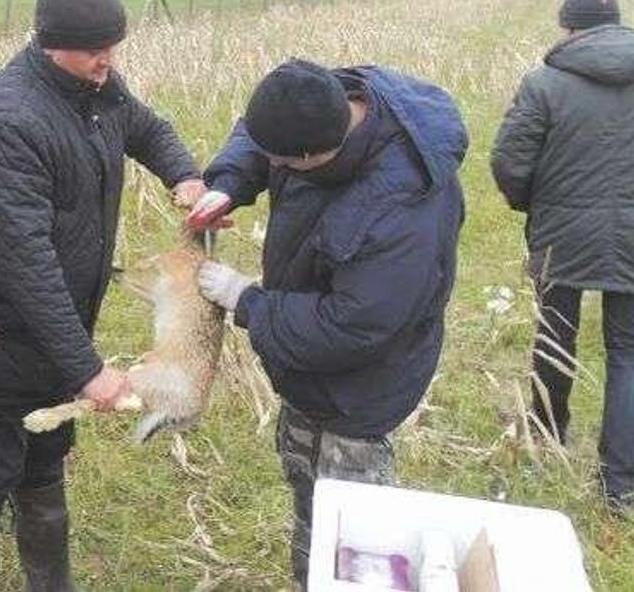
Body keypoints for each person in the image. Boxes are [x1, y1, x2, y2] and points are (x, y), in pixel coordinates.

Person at [0, 0, 205, 590]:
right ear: (50, 43)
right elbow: (26, 264)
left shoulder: (97, 87)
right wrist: (88, 369)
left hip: (56, 337)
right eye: (93, 49)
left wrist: (184, 175)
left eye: (113, 46)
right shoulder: (7, 119)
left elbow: (146, 128)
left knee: (45, 462)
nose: (107, 60)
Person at [187, 59, 467, 588]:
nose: (272, 167)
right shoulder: (321, 99)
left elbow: (353, 328)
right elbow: (260, 132)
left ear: (312, 157)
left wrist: (248, 301)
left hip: (362, 389)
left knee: (353, 534)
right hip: (304, 367)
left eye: (279, 163)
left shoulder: (404, 207)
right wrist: (230, 182)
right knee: (309, 502)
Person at [491, 0, 634, 510]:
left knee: (555, 337)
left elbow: (509, 161)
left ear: (569, 29)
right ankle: (621, 484)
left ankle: (548, 441)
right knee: (629, 350)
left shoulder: (544, 83)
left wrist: (535, 206)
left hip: (562, 234)